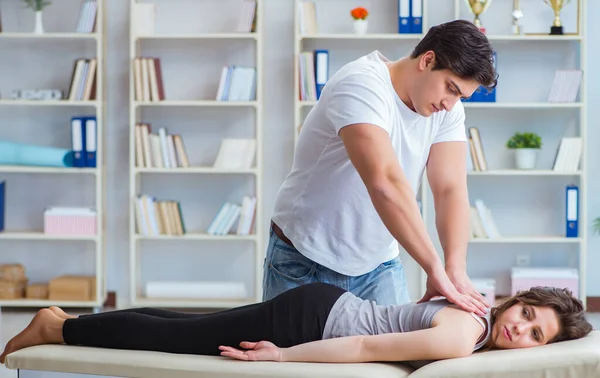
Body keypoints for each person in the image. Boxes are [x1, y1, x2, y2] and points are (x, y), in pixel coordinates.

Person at [264, 19, 498, 315]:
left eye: (460, 96)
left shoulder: (447, 111)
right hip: (304, 255)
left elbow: (450, 188)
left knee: (395, 358)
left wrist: (454, 267)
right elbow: (385, 182)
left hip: (378, 263)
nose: (450, 104)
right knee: (289, 359)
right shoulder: (361, 84)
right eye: (450, 88)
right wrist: (433, 267)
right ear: (427, 61)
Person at [0, 283, 592, 369]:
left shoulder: (473, 315)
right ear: (516, 302)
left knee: (181, 327)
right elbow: (363, 344)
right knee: (174, 338)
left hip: (325, 305)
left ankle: (66, 324)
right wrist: (282, 356)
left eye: (538, 335)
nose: (524, 332)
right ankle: (59, 327)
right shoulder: (466, 333)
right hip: (314, 318)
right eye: (528, 316)